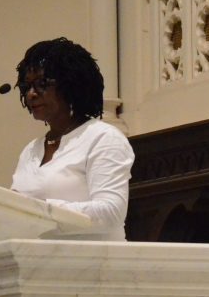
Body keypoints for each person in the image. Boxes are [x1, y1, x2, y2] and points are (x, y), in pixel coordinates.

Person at [10, 37, 134, 241]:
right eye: (27, 85)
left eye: (41, 84)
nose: (31, 94)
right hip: (38, 265)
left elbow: (111, 212)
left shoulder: (102, 138)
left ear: (71, 85)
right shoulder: (30, 151)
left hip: (95, 267)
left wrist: (38, 210)